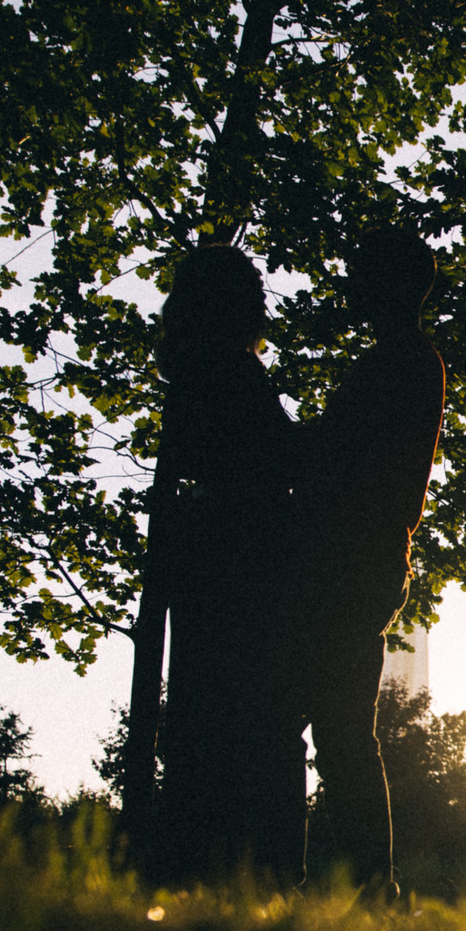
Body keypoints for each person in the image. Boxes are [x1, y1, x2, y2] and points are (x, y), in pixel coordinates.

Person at [291, 228, 450, 893]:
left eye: (360, 276)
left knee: (332, 732)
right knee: (342, 732)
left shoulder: (395, 364)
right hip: (368, 562)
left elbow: (333, 458)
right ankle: (369, 885)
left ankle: (354, 883)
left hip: (349, 565)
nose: (350, 289)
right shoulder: (409, 361)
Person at [149, 242, 306, 879]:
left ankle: (192, 865)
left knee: (198, 714)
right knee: (265, 724)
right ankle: (266, 874)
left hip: (201, 559)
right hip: (253, 563)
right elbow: (283, 461)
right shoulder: (237, 377)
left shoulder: (186, 375)